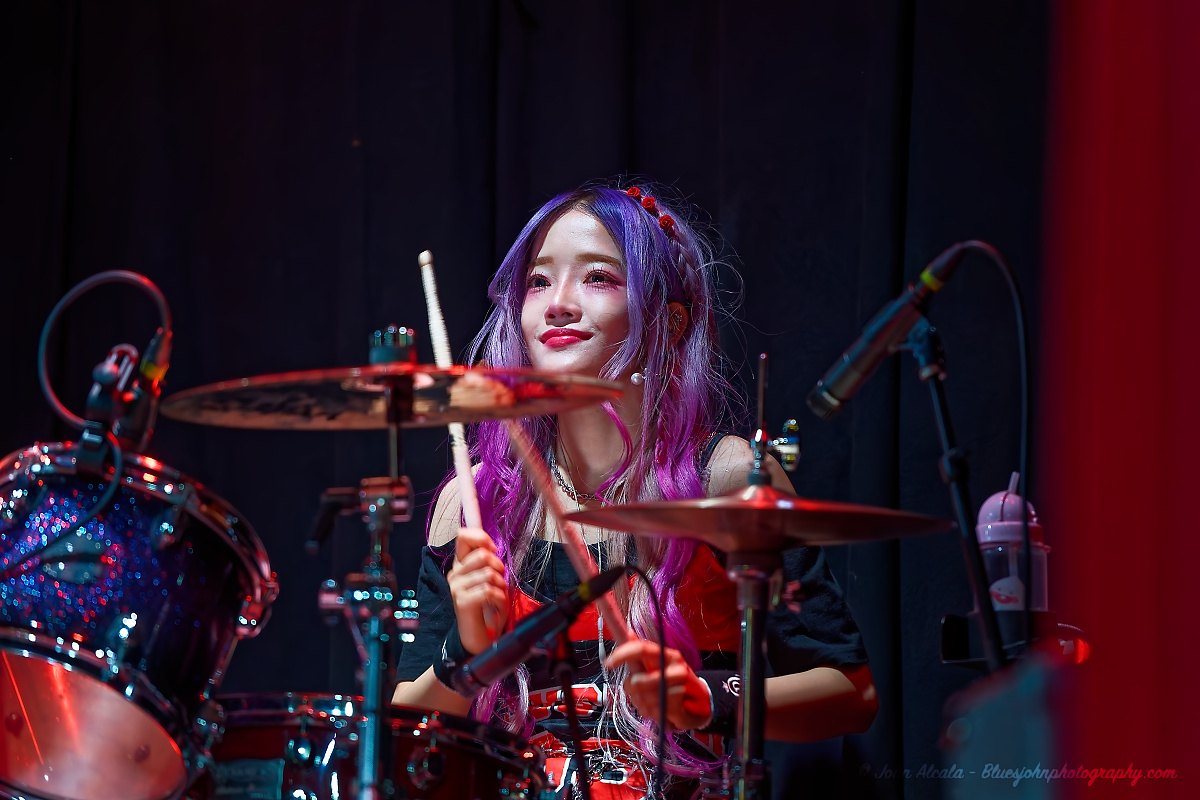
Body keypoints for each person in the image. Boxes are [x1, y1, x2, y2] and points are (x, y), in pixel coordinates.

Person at [392, 183, 877, 798]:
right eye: (538, 282)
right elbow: (407, 731)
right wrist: (465, 651)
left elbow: (851, 692)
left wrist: (710, 702)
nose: (557, 304)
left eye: (597, 277)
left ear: (669, 320)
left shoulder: (725, 480)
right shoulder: (472, 503)